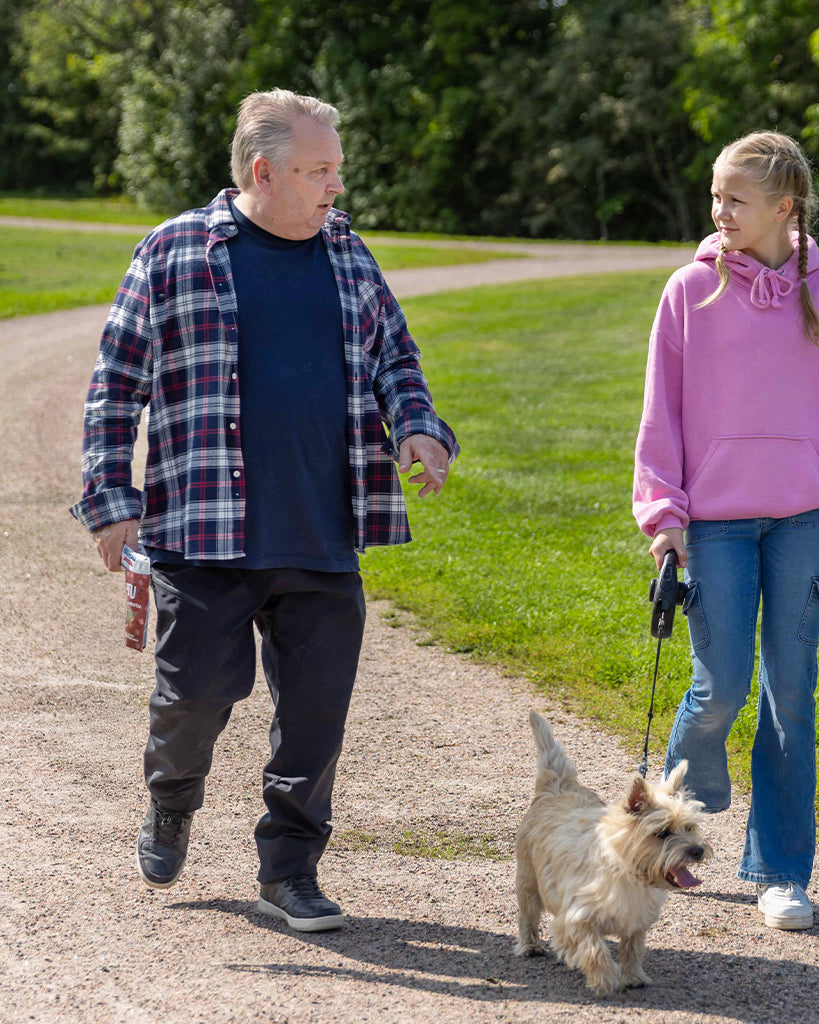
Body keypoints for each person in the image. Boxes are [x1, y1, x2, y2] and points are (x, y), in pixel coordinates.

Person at [70, 88, 459, 932]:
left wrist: (418, 428)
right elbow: (116, 385)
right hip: (202, 533)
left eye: (336, 169)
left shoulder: (347, 253)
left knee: (315, 721)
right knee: (194, 699)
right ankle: (172, 797)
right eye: (319, 171)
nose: (335, 186)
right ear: (263, 171)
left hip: (321, 530)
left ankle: (289, 871)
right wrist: (111, 501)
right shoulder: (174, 250)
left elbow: (396, 358)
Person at [632, 131, 819, 931]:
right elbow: (660, 412)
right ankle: (674, 822)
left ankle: (781, 871)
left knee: (791, 693)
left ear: (785, 208)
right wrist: (664, 516)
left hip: (805, 520)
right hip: (713, 523)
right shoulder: (688, 290)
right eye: (715, 197)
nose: (719, 211)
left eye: (735, 199)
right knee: (719, 687)